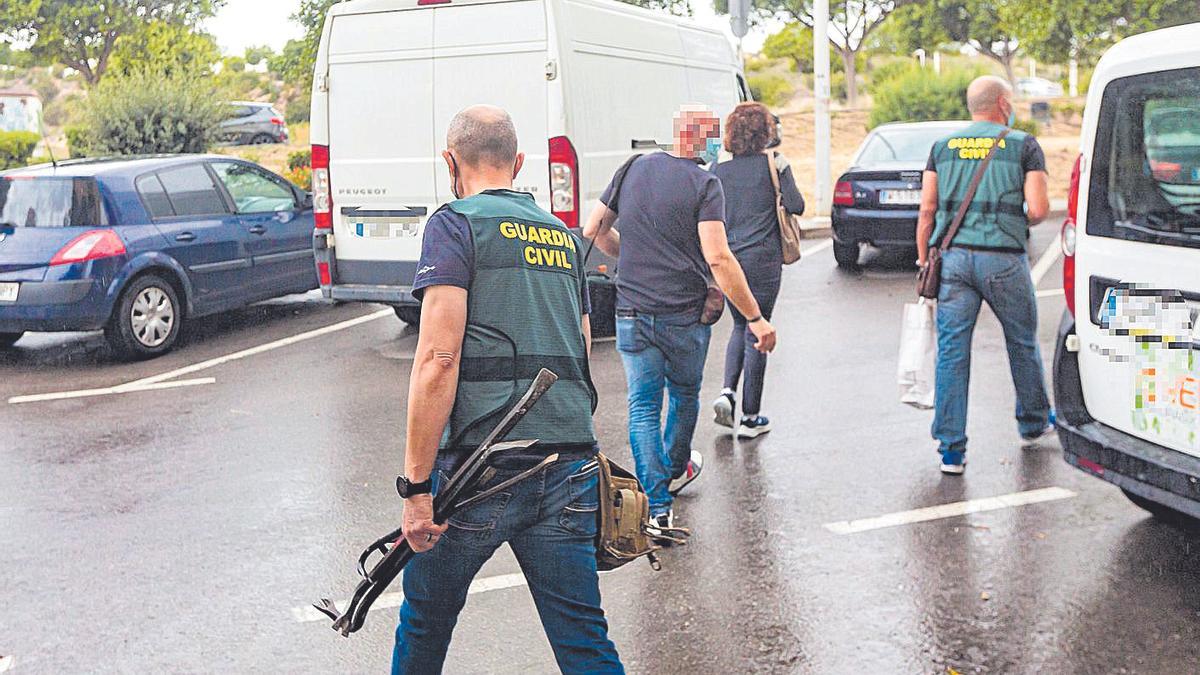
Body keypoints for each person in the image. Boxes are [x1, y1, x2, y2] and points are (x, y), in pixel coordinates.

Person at [393, 105, 623, 673]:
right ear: (519, 163)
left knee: (424, 625)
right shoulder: (565, 239)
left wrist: (417, 487)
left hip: (480, 471)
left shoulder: (454, 226)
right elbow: (583, 343)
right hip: (570, 463)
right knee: (583, 640)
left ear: (450, 161)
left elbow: (438, 359)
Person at [583, 105, 777, 535]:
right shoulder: (706, 183)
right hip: (683, 315)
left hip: (632, 310)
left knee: (643, 406)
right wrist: (756, 317)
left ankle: (657, 505)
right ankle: (671, 470)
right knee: (684, 395)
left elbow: (593, 228)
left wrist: (626, 253)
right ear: (702, 141)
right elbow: (719, 257)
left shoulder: (632, 169)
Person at [916, 76, 1055, 476]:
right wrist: (1008, 219)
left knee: (952, 352)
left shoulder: (942, 148)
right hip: (1004, 260)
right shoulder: (1024, 144)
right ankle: (1032, 423)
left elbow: (927, 210)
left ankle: (951, 450)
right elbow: (1040, 208)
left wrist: (925, 257)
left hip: (953, 262)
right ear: (1003, 102)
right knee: (1022, 342)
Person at [708, 102, 805, 439]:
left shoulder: (716, 170)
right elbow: (797, 205)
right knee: (758, 330)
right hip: (763, 261)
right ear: (765, 132)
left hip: (728, 262)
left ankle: (727, 392)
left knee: (740, 325)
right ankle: (751, 417)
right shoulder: (774, 162)